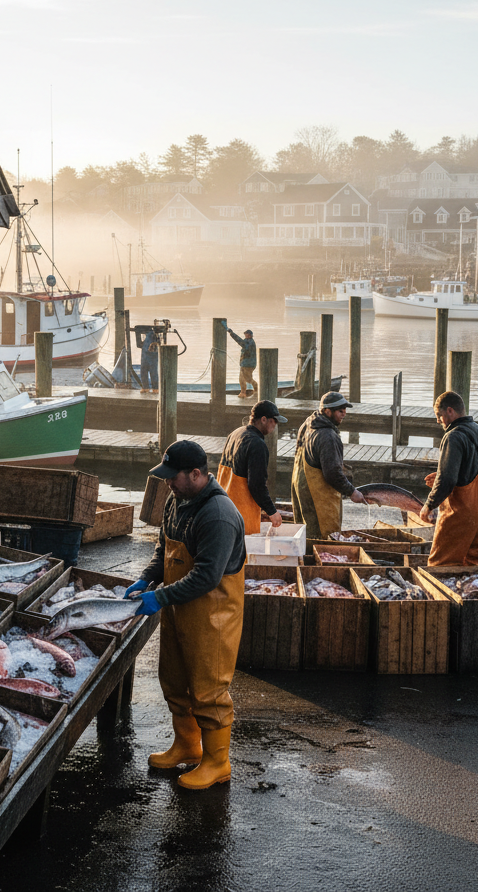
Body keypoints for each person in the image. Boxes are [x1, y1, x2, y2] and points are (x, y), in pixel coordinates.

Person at [124, 440, 245, 790]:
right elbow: (164, 546)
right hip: (179, 607)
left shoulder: (219, 515)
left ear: (196, 474)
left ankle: (217, 762)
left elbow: (207, 577)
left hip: (213, 615)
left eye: (172, 477)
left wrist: (158, 597)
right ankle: (188, 746)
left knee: (209, 690)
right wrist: (148, 577)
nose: (167, 484)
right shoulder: (179, 499)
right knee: (175, 681)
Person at [419, 391, 478, 567]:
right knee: (474, 563)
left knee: (441, 563)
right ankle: (473, 593)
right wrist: (450, 476)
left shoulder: (453, 436)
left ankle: (442, 594)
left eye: (439, 416)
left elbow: (447, 479)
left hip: (462, 511)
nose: (438, 421)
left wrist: (429, 505)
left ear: (450, 411)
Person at [291, 391, 369, 538]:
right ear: (327, 411)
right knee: (325, 538)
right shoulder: (328, 436)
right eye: (340, 411)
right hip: (318, 497)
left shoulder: (308, 424)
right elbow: (332, 473)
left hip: (301, 491)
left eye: (345, 410)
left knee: (305, 534)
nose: (344, 414)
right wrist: (352, 492)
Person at [216, 400, 287, 535]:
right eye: (274, 421)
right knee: (243, 551)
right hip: (242, 512)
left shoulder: (236, 433)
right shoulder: (257, 444)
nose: (275, 425)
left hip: (224, 506)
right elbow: (257, 485)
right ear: (264, 419)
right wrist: (272, 511)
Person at [222, 323, 258, 399]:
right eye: (245, 334)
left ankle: (257, 390)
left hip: (248, 364)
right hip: (245, 364)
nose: (246, 335)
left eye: (247, 334)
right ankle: (243, 392)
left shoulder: (250, 342)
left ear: (250, 335)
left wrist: (231, 333)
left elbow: (240, 341)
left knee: (247, 378)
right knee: (242, 378)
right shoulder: (247, 341)